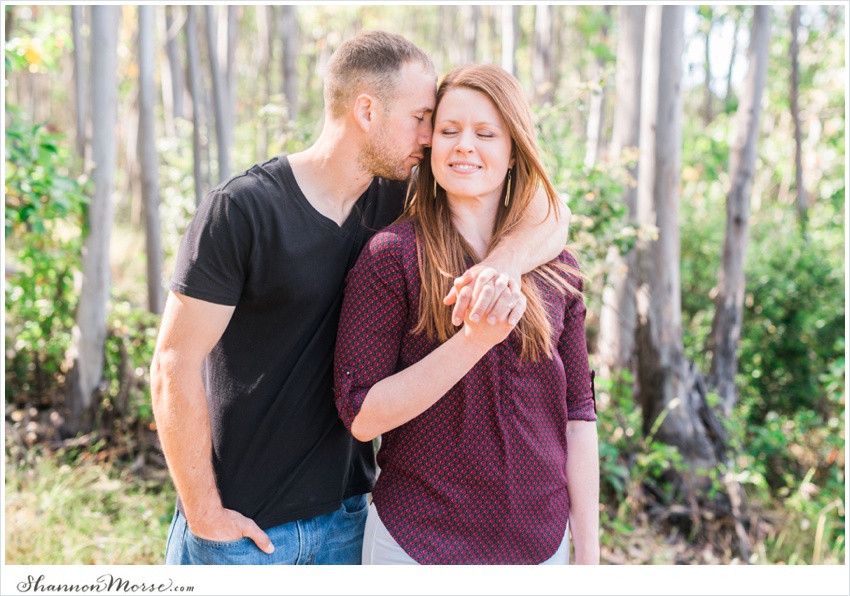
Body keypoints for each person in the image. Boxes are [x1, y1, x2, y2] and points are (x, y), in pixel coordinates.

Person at [150, 31, 571, 565]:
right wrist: (205, 512)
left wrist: (502, 266)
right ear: (367, 110)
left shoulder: (395, 200)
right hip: (244, 529)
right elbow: (172, 362)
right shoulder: (244, 210)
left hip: (349, 520)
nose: (429, 137)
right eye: (421, 118)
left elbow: (552, 214)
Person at [334, 63, 599, 565]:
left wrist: (587, 558)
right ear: (430, 145)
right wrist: (473, 340)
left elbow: (578, 417)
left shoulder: (557, 270)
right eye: (450, 131)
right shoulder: (391, 257)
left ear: (514, 151)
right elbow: (362, 416)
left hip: (541, 549)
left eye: (485, 133)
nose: (464, 146)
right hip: (415, 546)